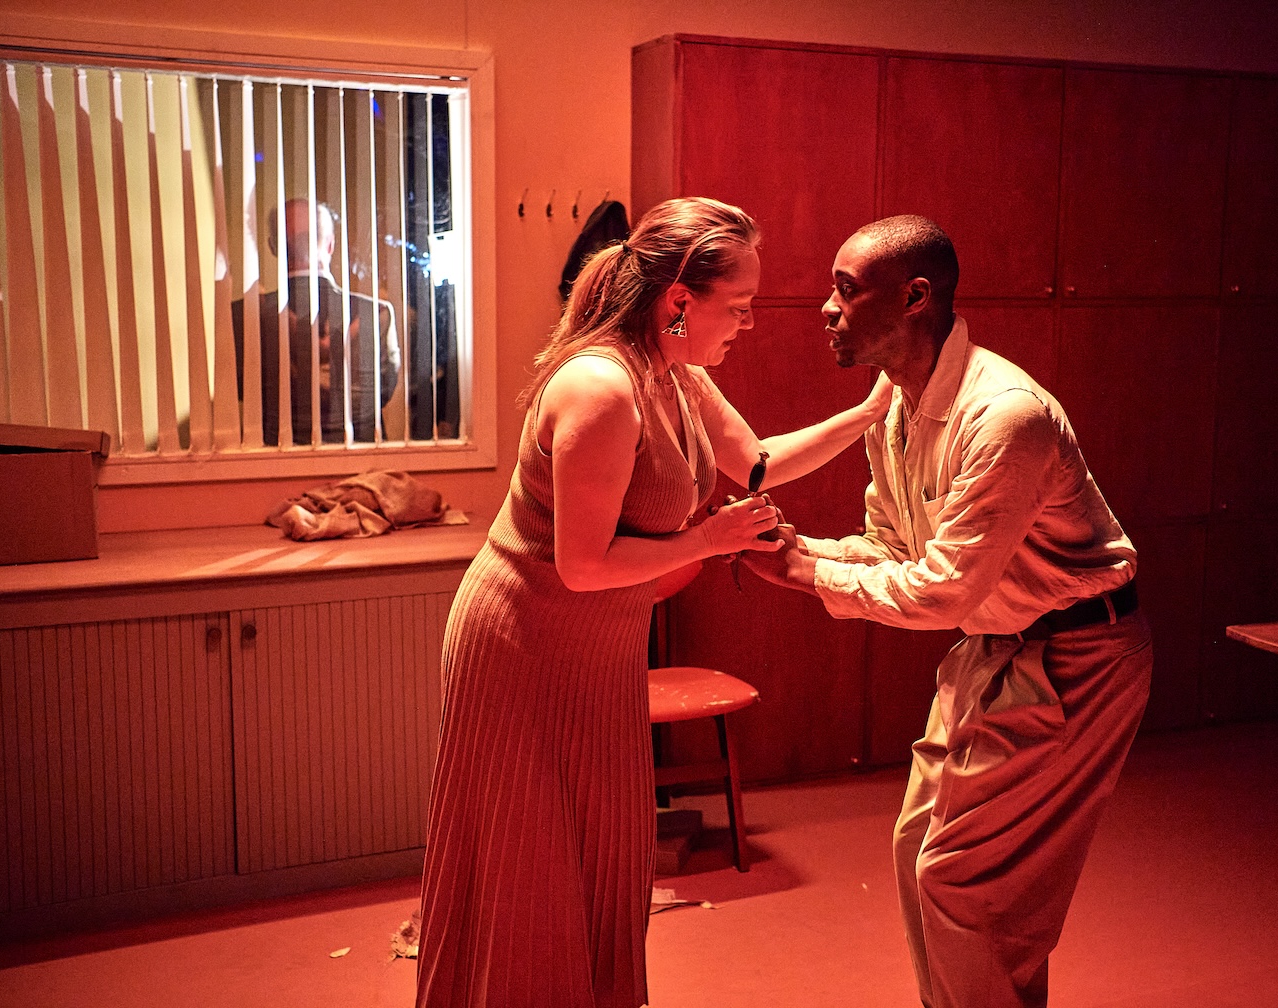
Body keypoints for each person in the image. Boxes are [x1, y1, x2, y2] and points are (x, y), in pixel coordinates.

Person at [416, 197, 892, 1008]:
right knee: (530, 869)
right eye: (736, 305)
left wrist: (873, 412)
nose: (747, 322)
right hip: (526, 647)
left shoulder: (678, 375)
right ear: (678, 301)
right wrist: (711, 540)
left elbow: (758, 464)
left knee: (601, 856)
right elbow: (582, 564)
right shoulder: (602, 387)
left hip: (597, 650)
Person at [742, 216, 1153, 1008]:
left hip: (1079, 659)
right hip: (996, 646)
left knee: (965, 883)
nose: (825, 308)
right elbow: (894, 548)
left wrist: (803, 574)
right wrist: (796, 552)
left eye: (846, 288)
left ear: (916, 297)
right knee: (916, 854)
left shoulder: (1004, 415)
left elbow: (941, 591)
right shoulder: (896, 409)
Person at [232, 197, 401, 444]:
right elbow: (384, 390)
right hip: (360, 458)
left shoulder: (244, 315)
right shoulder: (376, 313)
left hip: (278, 461)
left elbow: (242, 389)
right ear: (331, 245)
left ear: (273, 246)